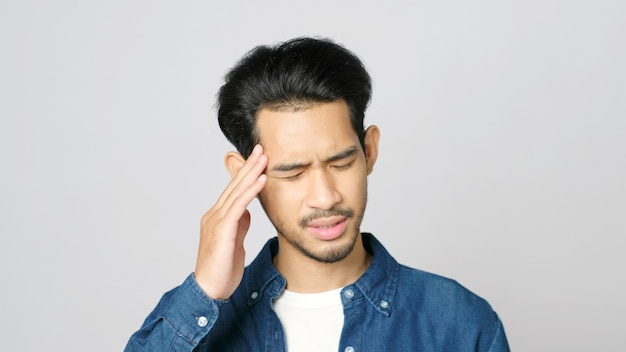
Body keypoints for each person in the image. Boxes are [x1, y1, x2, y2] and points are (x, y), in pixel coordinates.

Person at [124, 37, 510, 352]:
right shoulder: (196, 323)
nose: (325, 198)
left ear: (369, 151)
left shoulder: (458, 321)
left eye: (341, 163)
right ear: (244, 177)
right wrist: (205, 290)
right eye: (292, 172)